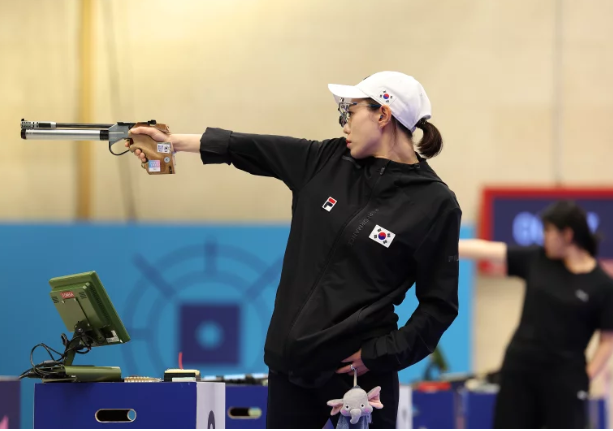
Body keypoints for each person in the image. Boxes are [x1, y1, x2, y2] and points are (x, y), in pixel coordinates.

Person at [128, 71, 461, 428]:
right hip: (289, 370)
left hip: (359, 381)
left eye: (350, 113)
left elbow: (439, 305)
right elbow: (248, 147)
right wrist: (172, 143)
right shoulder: (326, 159)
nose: (345, 125)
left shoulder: (435, 203)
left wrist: (379, 355)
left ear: (383, 114)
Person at [459, 200, 613, 429]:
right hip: (520, 372)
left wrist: (586, 376)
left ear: (567, 234)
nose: (543, 236)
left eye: (547, 230)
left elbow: (608, 340)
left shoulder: (605, 286)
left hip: (565, 380)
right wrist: (443, 243)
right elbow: (488, 250)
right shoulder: (537, 260)